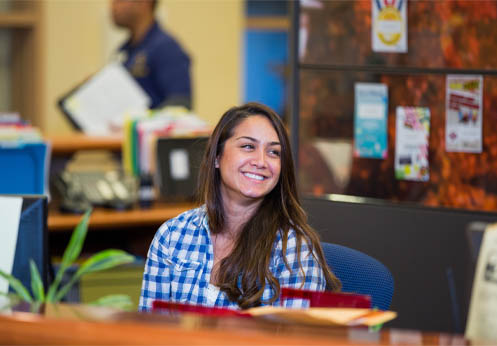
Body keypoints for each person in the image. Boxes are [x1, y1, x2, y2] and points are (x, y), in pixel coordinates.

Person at [139, 102, 341, 311]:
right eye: (248, 147)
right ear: (217, 157)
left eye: (274, 152)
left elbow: (294, 339)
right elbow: (148, 329)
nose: (261, 161)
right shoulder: (173, 235)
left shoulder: (293, 249)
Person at [111, 0, 191, 109]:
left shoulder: (166, 48)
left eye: (120, 1)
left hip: (145, 126)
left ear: (145, 2)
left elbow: (180, 105)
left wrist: (138, 122)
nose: (113, 5)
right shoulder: (123, 51)